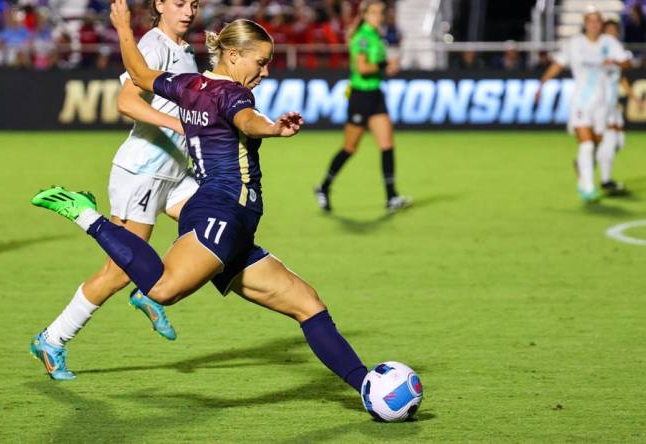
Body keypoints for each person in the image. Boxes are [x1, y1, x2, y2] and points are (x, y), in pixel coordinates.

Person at [32, 0, 371, 397]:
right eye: (260, 63)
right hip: (199, 199)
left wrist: (122, 28)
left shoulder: (190, 80)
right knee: (160, 287)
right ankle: (86, 217)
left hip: (220, 210)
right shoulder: (232, 95)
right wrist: (272, 129)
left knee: (308, 304)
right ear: (233, 55)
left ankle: (366, 384)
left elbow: (142, 76)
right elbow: (244, 119)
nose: (265, 72)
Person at [29, 0, 201, 381]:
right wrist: (178, 124)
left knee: (210, 231)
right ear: (159, 5)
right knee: (118, 270)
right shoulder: (154, 45)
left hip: (174, 174)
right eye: (178, 3)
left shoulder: (186, 50)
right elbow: (125, 101)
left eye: (193, 3)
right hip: (141, 173)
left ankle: (147, 287)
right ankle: (52, 339)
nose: (187, 11)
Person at [314, 0, 410, 213]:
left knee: (387, 145)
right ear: (365, 14)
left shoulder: (376, 36)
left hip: (375, 94)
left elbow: (374, 68)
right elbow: (363, 68)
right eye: (374, 13)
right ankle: (323, 187)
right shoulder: (363, 37)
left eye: (380, 13)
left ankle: (391, 197)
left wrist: (387, 68)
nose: (379, 16)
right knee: (350, 148)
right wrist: (386, 65)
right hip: (361, 97)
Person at [536, 9, 630, 202]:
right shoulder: (574, 43)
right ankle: (587, 187)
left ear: (601, 23)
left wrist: (615, 62)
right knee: (586, 145)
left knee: (596, 143)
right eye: (590, 21)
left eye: (597, 21)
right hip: (581, 102)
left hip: (602, 105)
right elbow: (558, 64)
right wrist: (542, 84)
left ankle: (583, 172)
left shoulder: (609, 43)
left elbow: (626, 62)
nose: (594, 24)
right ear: (585, 22)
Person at [599, 19, 643, 195]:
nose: (612, 33)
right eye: (608, 30)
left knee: (619, 142)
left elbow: (622, 78)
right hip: (600, 103)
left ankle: (592, 158)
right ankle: (606, 180)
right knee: (610, 139)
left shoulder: (616, 54)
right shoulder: (597, 51)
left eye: (614, 31)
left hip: (613, 104)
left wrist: (635, 98)